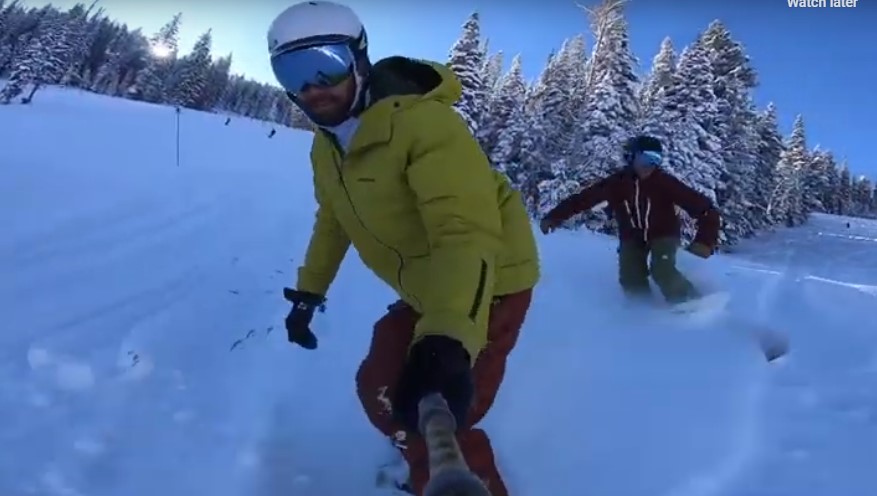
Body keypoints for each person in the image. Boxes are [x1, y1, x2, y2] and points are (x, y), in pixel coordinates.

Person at [266, 2, 540, 494]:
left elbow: (464, 231)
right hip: (427, 283)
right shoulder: (327, 145)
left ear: (359, 60)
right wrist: (309, 292)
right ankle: (419, 456)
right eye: (292, 72)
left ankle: (445, 474)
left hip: (490, 281)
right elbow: (334, 220)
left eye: (324, 64)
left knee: (445, 403)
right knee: (381, 385)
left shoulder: (426, 126)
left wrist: (448, 340)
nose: (311, 87)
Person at [540, 135, 720, 304]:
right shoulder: (617, 183)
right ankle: (641, 312)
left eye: (655, 160)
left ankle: (691, 303)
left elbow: (706, 210)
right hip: (632, 236)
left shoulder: (665, 183)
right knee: (630, 276)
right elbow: (582, 200)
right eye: (645, 159)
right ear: (631, 158)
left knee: (662, 270)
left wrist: (705, 241)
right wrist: (554, 217)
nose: (649, 165)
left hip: (663, 234)